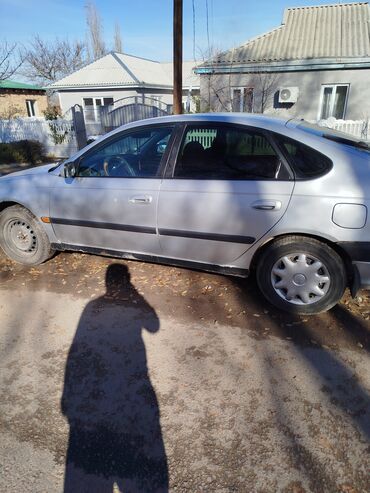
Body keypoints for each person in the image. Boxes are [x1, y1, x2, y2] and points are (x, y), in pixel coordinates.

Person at [62, 263, 168, 492]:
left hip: (101, 392)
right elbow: (153, 325)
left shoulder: (92, 306)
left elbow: (76, 347)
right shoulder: (98, 306)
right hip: (130, 383)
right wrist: (135, 292)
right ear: (124, 281)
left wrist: (67, 395)